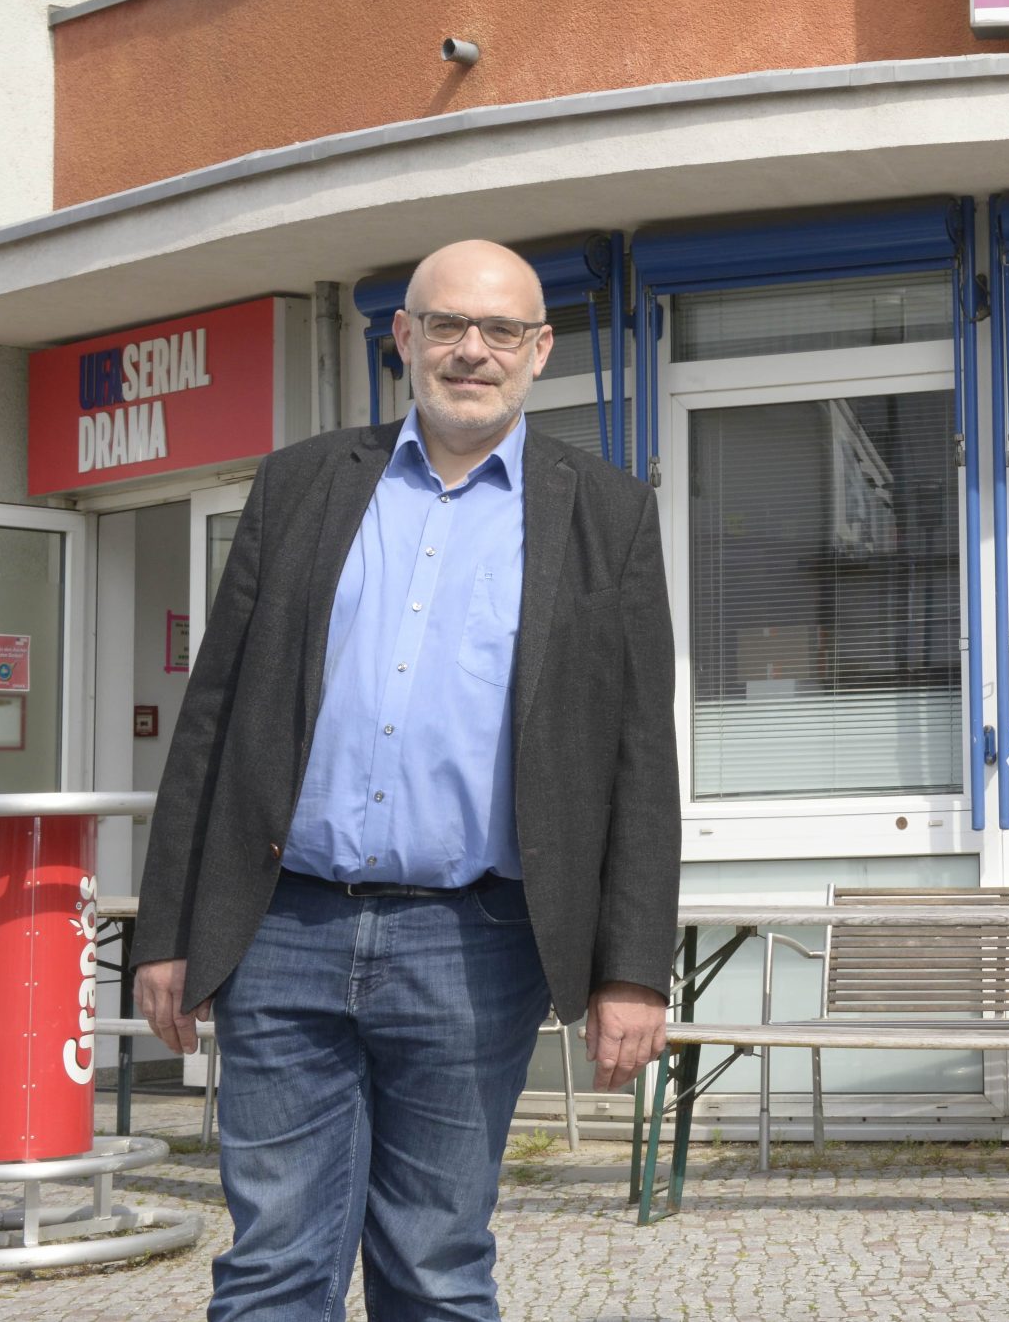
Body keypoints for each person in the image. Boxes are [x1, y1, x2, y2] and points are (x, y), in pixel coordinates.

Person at [134, 240, 680, 1321]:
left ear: (539, 351)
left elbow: (635, 754)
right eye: (445, 325)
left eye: (500, 331)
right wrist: (166, 926)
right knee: (272, 1263)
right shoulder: (301, 483)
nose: (470, 350)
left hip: (473, 945)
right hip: (279, 929)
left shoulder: (605, 511)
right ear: (403, 338)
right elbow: (214, 716)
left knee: (434, 1265)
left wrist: (633, 970)